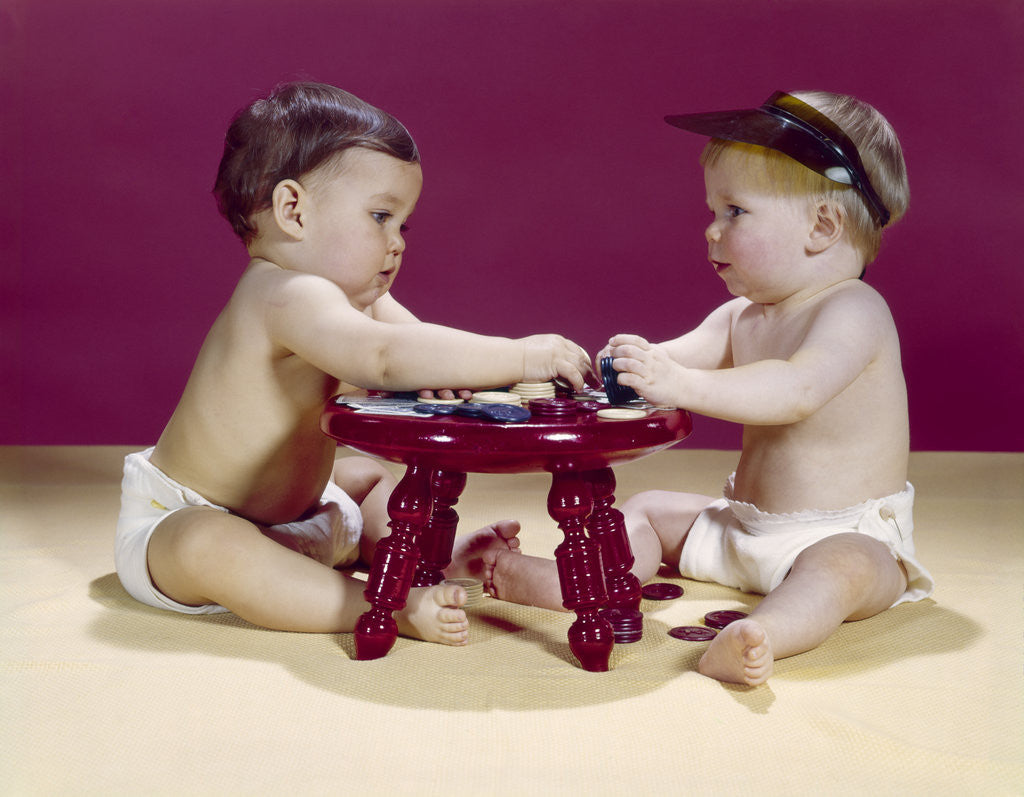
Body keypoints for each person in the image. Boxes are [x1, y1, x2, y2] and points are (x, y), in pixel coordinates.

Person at [115, 81, 592, 647]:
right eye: (380, 217)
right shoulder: (282, 294)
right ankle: (379, 606)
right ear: (293, 210)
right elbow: (386, 359)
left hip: (303, 520)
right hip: (186, 521)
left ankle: (426, 561)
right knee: (209, 544)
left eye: (403, 225)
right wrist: (523, 353)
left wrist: (473, 374)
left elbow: (422, 349)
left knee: (365, 478)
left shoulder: (353, 297)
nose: (398, 243)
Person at [484, 90, 934, 684]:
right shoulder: (744, 315)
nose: (711, 231)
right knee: (646, 510)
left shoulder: (854, 311)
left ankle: (762, 635)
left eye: (734, 212)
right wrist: (615, 367)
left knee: (845, 570)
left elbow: (794, 390)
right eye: (713, 211)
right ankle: (566, 583)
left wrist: (677, 382)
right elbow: (667, 365)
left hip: (838, 531)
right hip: (741, 527)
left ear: (823, 225)